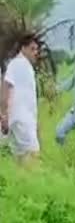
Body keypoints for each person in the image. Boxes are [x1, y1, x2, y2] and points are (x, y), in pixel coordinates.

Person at [1, 34, 40, 164]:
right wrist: (4, 114)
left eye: (37, 50)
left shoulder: (26, 66)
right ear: (23, 48)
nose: (35, 53)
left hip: (23, 118)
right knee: (33, 153)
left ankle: (21, 181)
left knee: (20, 157)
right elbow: (6, 86)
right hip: (20, 119)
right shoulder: (18, 63)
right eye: (32, 49)